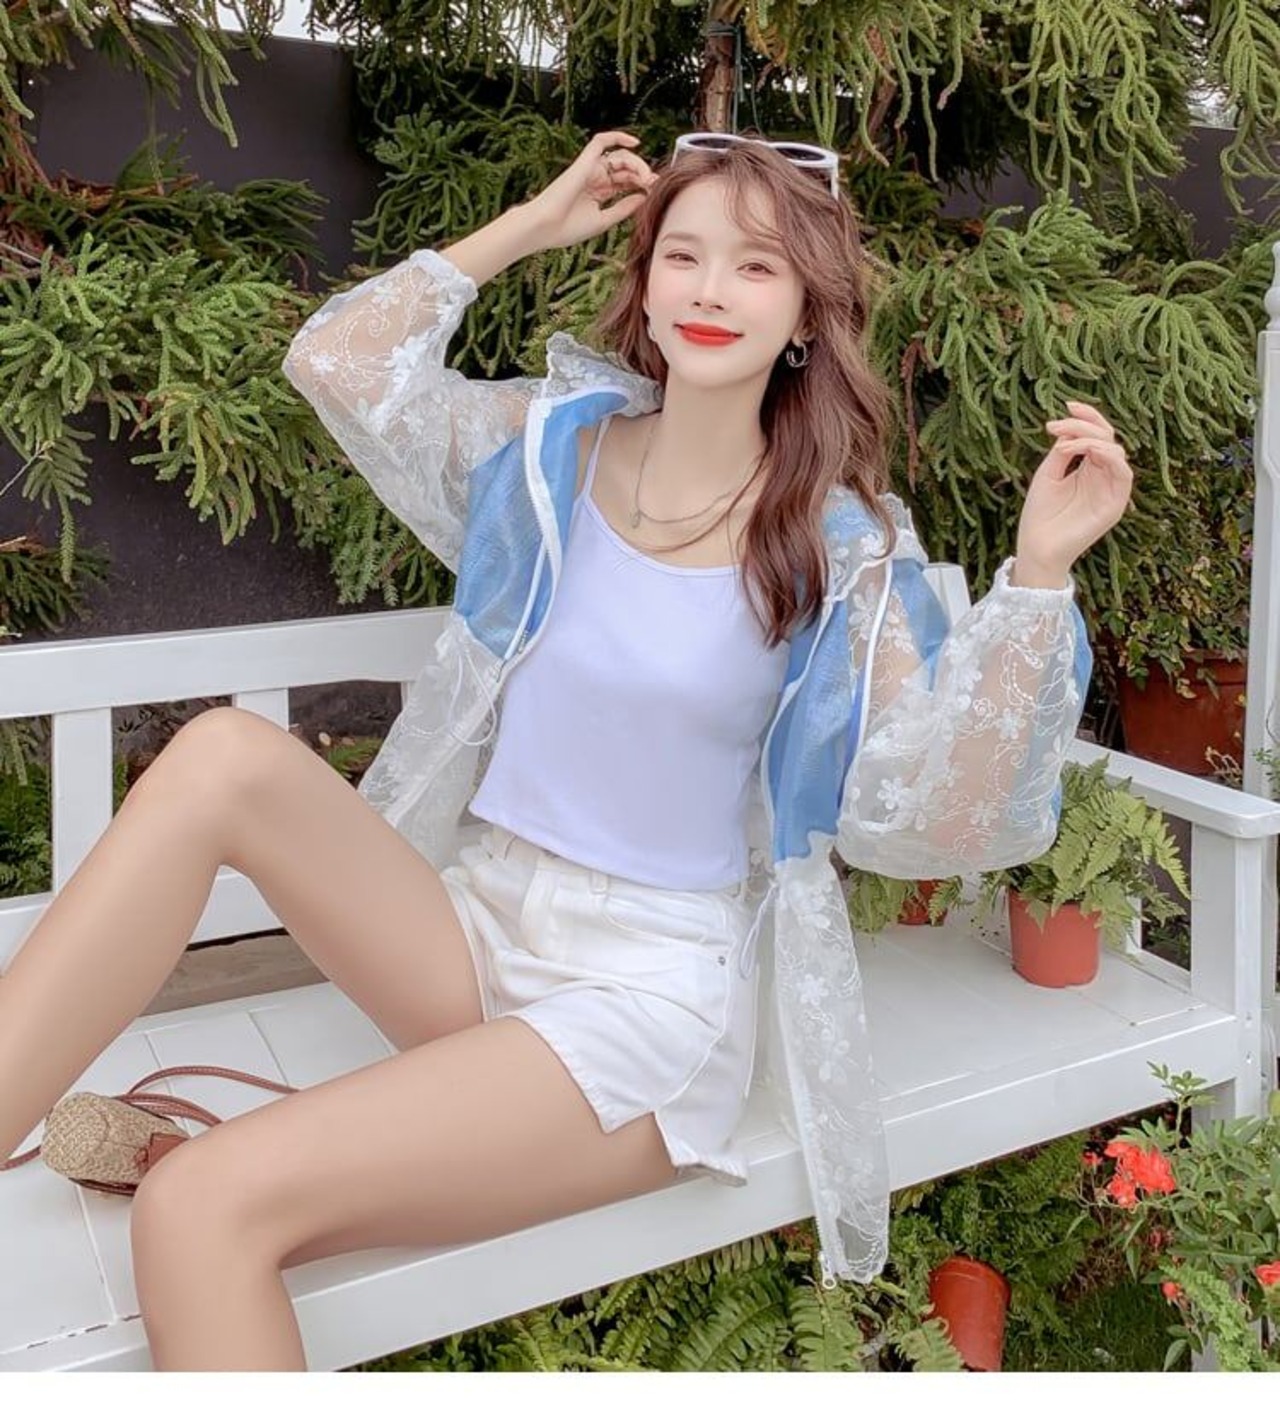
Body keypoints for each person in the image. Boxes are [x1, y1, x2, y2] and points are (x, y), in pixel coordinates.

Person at [0, 129, 1130, 1370]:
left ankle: (228, 1174)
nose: (709, 289)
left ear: (806, 312)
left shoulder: (840, 547)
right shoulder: (547, 452)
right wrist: (533, 222)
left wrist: (1037, 575)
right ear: (643, 282)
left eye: (754, 266)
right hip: (476, 928)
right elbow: (337, 363)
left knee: (196, 1203)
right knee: (222, 754)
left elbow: (953, 816)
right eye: (681, 255)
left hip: (641, 1002)